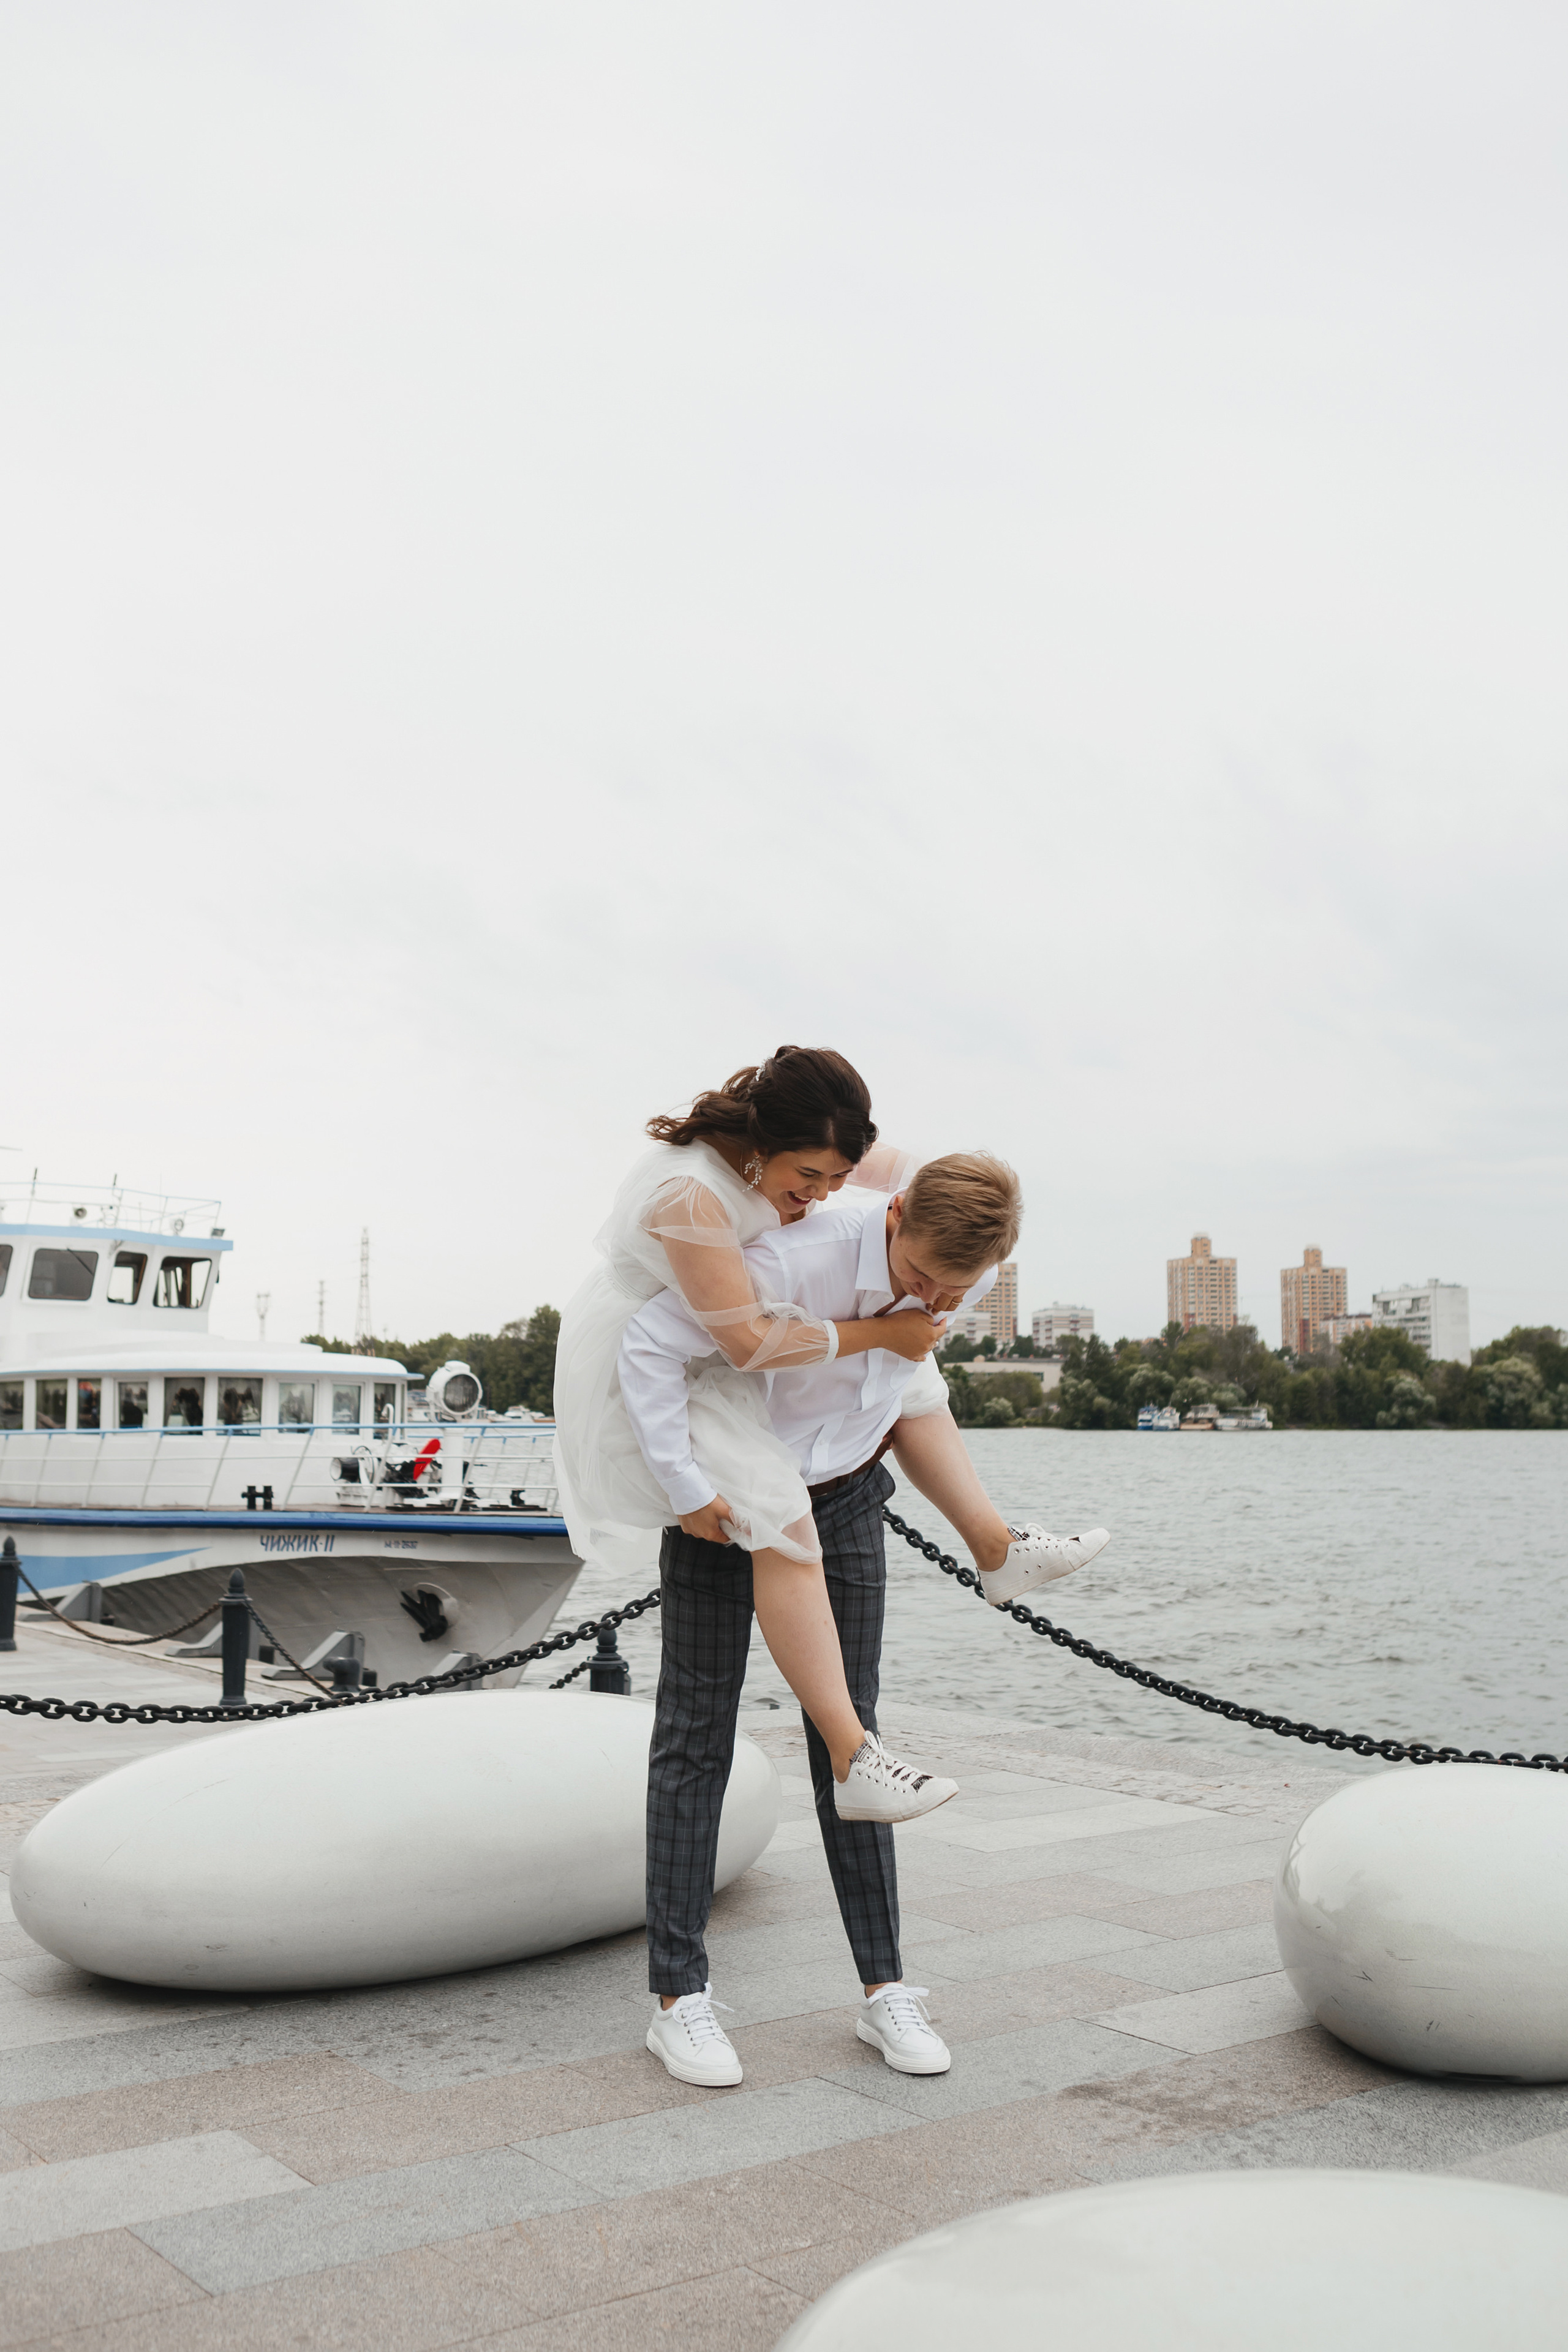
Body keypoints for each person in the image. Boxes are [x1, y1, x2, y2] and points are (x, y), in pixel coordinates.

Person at [617, 1153, 1111, 2088]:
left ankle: (886, 1991)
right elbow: (648, 1343)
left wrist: (916, 1330)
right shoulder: (790, 1256)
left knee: (856, 1749)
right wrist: (683, 1488)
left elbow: (911, 1387)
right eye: (920, 1273)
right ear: (894, 1217)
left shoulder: (966, 1269)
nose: (935, 1298)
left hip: (843, 1498)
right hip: (728, 1502)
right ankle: (679, 2000)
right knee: (695, 1737)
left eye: (956, 1288)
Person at [554, 1046, 959, 1829]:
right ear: (764, 1142)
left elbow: (925, 1179)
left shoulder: (815, 1144)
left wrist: (954, 1233)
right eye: (808, 1177)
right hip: (660, 1365)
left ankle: (994, 1543)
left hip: (713, 1345)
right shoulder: (691, 1197)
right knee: (785, 1517)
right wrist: (686, 1487)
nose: (822, 1195)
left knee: (911, 1375)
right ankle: (855, 1759)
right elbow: (744, 1344)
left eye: (840, 1177)